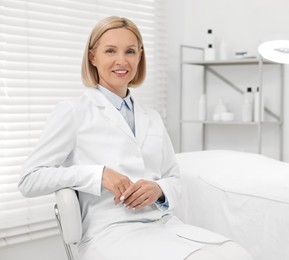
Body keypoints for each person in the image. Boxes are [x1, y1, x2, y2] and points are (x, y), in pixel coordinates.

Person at [18, 16, 254, 260]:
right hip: (109, 233)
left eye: (130, 51)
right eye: (110, 51)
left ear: (140, 56)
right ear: (92, 57)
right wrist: (98, 175)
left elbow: (173, 178)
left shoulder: (151, 117)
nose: (122, 61)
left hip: (163, 225)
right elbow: (30, 179)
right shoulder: (74, 112)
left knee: (238, 254)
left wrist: (159, 190)